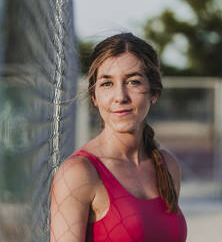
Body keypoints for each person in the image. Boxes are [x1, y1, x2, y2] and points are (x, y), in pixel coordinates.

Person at [50, 33, 187, 242]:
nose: (120, 96)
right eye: (107, 84)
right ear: (94, 96)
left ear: (154, 92)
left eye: (133, 82)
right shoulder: (79, 173)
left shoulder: (168, 166)